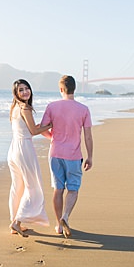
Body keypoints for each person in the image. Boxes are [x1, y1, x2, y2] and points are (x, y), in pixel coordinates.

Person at [40, 75, 93, 238]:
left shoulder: (52, 106)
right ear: (74, 89)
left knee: (58, 189)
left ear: (61, 89)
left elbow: (42, 129)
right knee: (73, 189)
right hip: (74, 155)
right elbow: (88, 136)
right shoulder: (83, 109)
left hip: (55, 153)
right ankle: (66, 216)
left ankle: (58, 225)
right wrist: (90, 156)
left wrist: (53, 138)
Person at [7, 79, 52, 237]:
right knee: (33, 187)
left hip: (13, 149)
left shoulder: (14, 107)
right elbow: (32, 131)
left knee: (17, 187)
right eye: (21, 90)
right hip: (24, 149)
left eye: (27, 88)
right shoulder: (25, 107)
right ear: (16, 93)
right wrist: (51, 125)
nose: (25, 92)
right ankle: (17, 222)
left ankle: (14, 222)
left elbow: (27, 129)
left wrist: (41, 126)